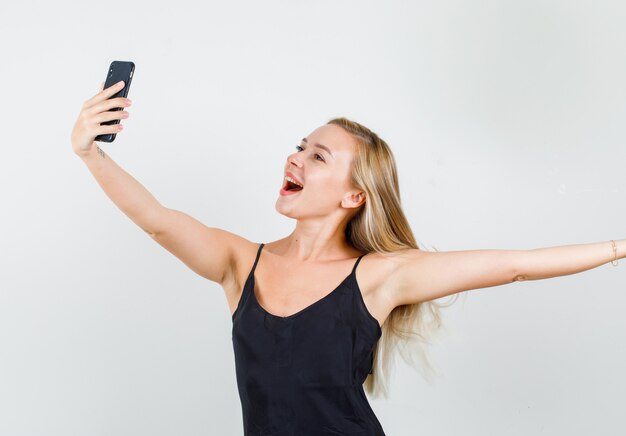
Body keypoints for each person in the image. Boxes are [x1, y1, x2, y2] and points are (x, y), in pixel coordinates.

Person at [71, 80, 624, 435]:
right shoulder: (240, 262)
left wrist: (621, 247)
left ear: (353, 196)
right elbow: (158, 219)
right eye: (299, 147)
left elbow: (515, 264)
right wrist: (89, 152)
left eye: (318, 156)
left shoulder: (380, 277)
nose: (296, 158)